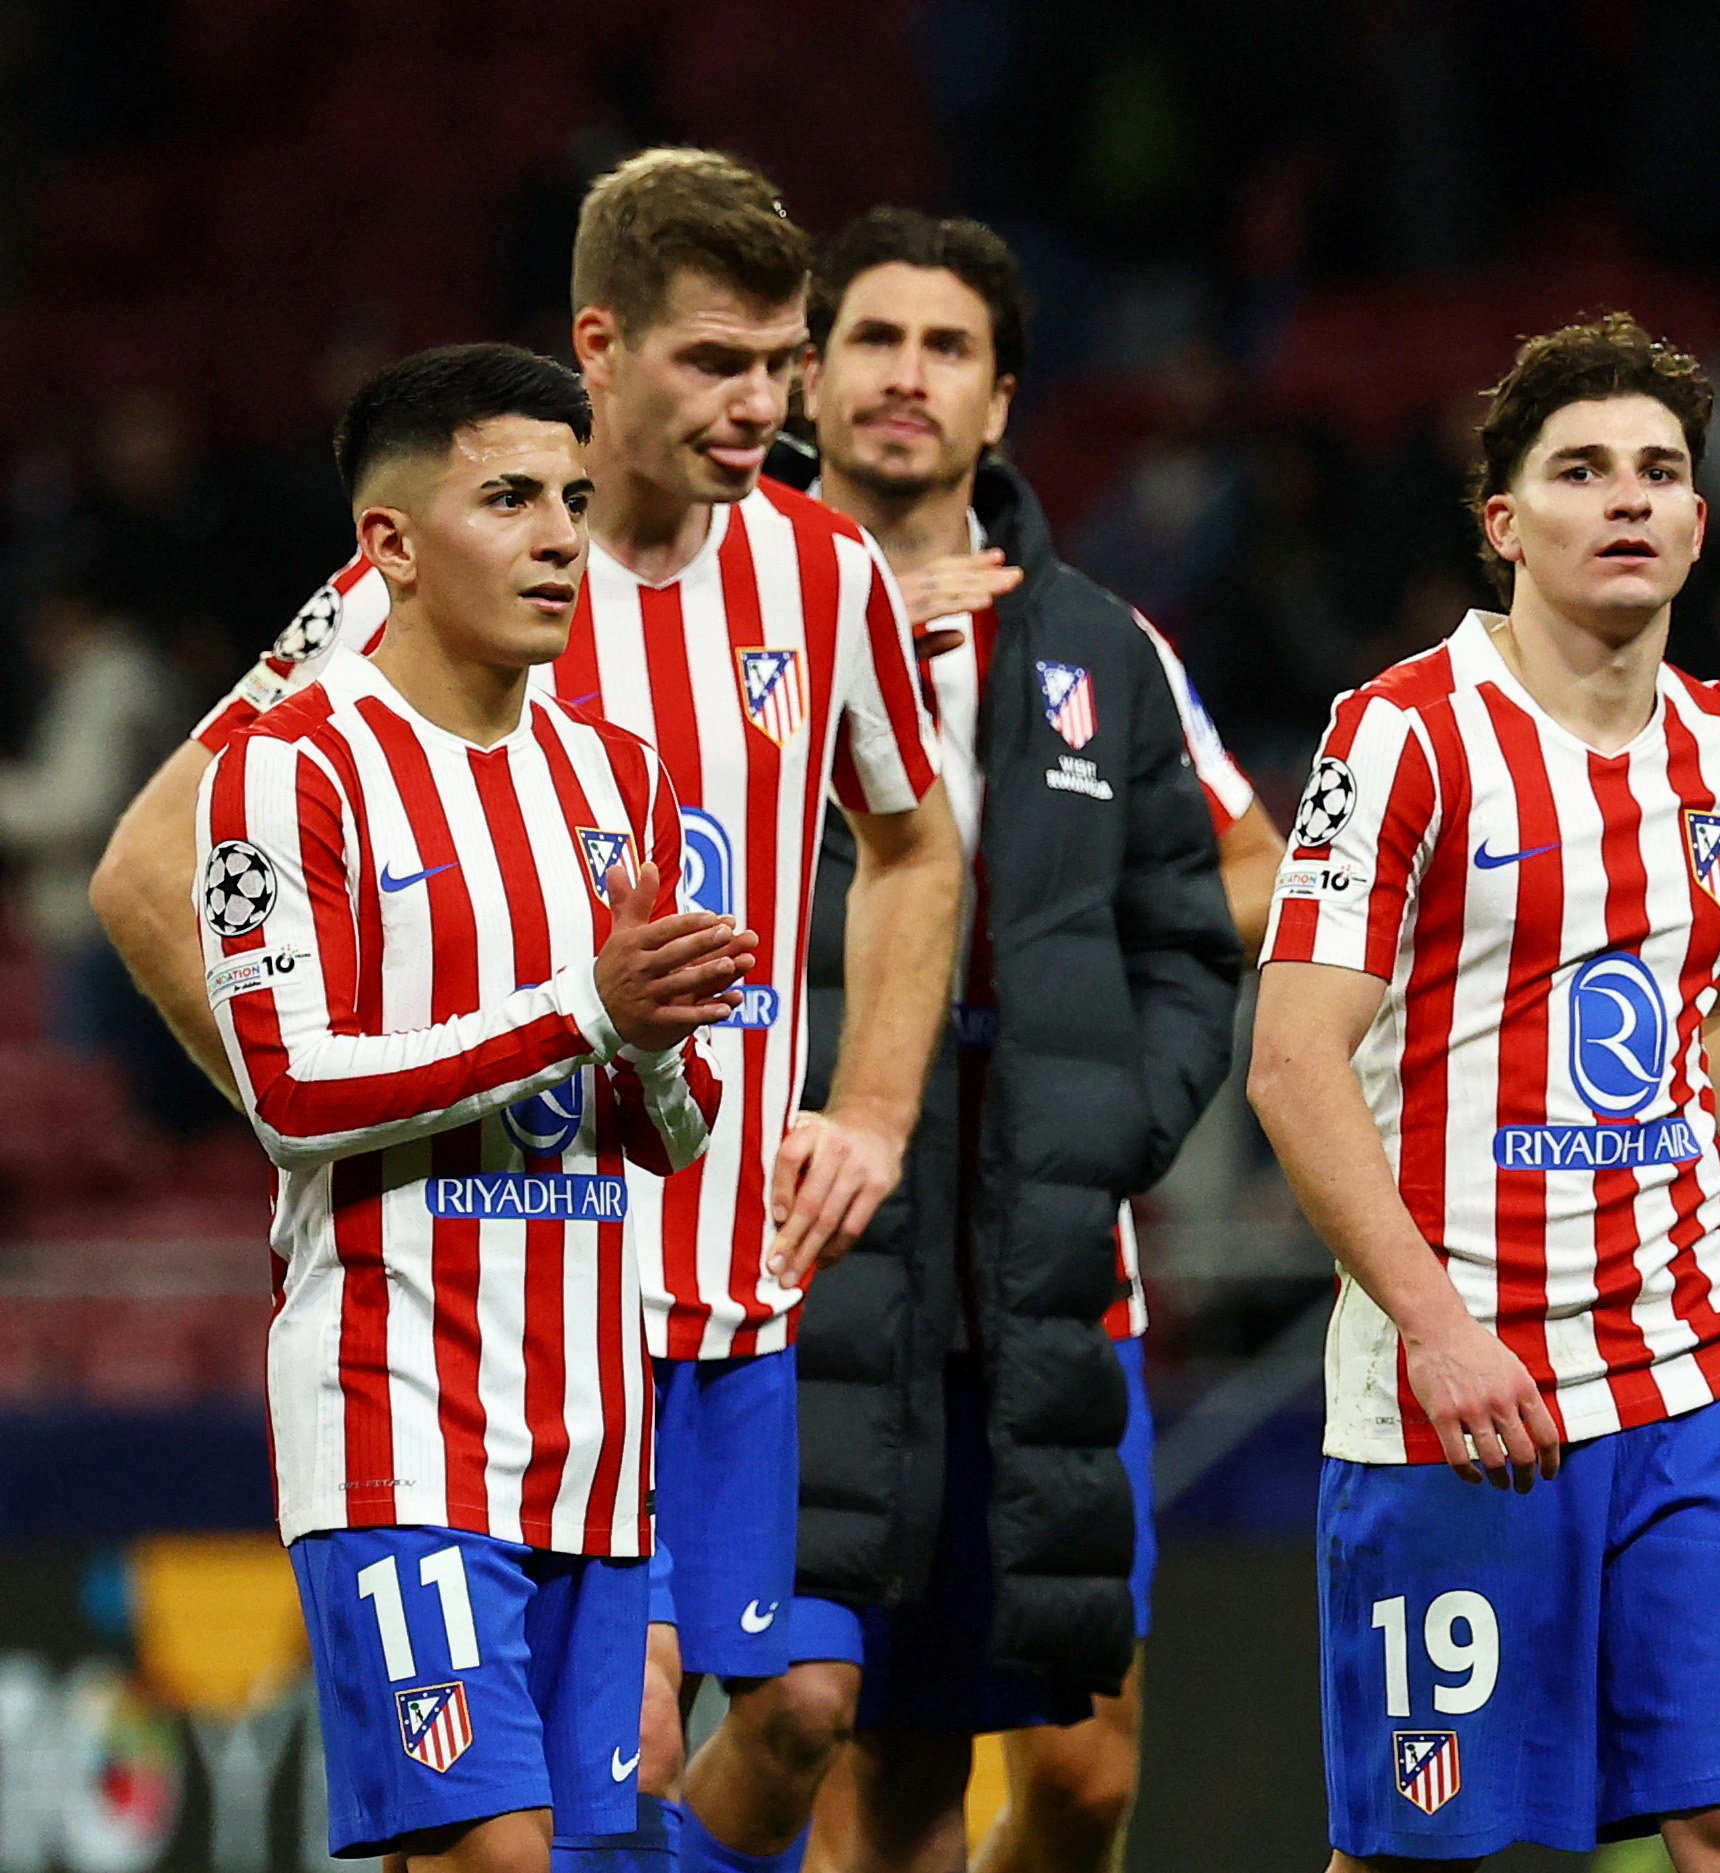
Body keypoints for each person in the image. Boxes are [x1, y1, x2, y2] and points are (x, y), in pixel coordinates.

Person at [88, 150, 961, 1873]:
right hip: (483, 1307)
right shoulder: (400, 594)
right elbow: (142, 872)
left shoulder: (824, 576)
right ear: (602, 347)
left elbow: (915, 847)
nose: (768, 405)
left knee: (787, 1720)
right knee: (569, 1801)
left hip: (726, 1269)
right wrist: (337, 1127)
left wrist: (867, 1109)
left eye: (785, 363)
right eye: (720, 361)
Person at [1251, 313, 1720, 1871]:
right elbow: (1291, 1060)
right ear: (1504, 522)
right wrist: (1439, 1332)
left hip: (1692, 1373)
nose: (1629, 498)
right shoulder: (1401, 738)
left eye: (1659, 472)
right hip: (1458, 1397)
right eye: (1581, 471)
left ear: (1701, 523)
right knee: (1434, 1855)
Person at [201, 342, 739, 1873]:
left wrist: (651, 1050)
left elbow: (672, 1137)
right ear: (388, 546)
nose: (562, 535)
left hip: (590, 1431)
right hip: (393, 1419)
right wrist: (586, 1010)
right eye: (507, 497)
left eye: (573, 497)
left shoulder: (615, 778)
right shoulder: (288, 771)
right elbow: (295, 1090)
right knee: (492, 1856)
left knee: (570, 1859)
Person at [770, 209, 1256, 1873]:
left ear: (1000, 400)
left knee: (1085, 1769)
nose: (906, 375)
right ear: (805, 380)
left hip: (1045, 1265)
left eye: (947, 347)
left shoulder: (1099, 650)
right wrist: (842, 649)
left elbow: (1238, 891)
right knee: (865, 1755)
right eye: (874, 340)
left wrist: (1111, 1114)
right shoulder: (717, 630)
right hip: (820, 1265)